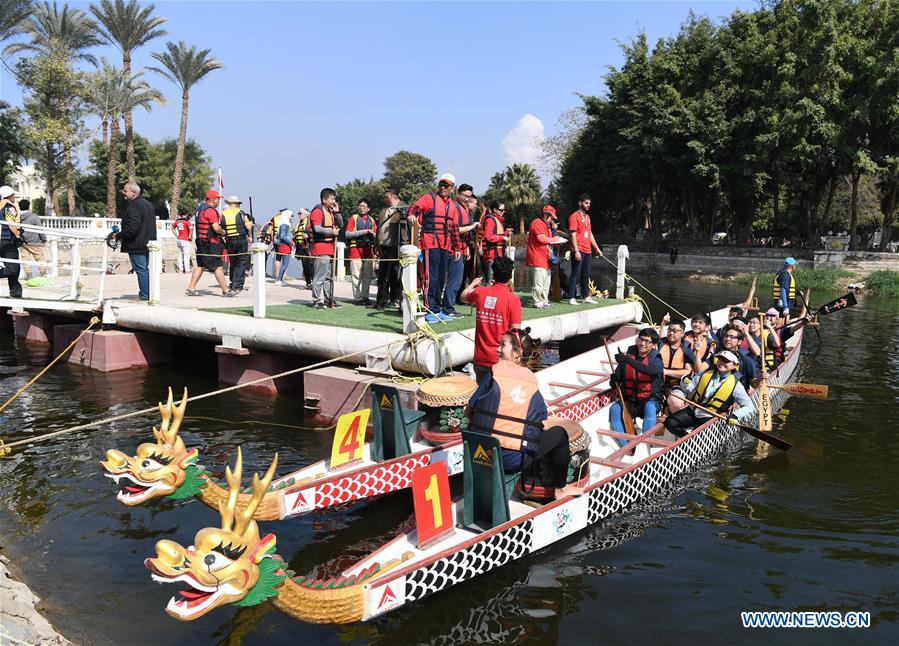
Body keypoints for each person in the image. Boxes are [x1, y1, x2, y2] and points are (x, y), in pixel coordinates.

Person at [466, 328, 583, 500]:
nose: (498, 349)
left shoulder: (494, 373)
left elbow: (469, 411)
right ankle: (560, 489)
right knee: (560, 434)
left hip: (478, 452)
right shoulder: (531, 381)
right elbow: (540, 423)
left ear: (517, 353)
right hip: (510, 460)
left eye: (502, 345)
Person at [408, 173, 462, 322]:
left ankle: (437, 309)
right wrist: (412, 215)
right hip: (430, 243)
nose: (443, 187)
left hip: (446, 246)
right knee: (430, 278)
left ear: (452, 188)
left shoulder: (452, 206)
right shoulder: (429, 198)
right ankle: (429, 309)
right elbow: (414, 207)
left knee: (440, 279)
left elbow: (455, 228)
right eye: (441, 184)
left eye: (446, 185)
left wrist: (457, 247)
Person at [663, 350, 755, 438]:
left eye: (726, 361)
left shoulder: (736, 385)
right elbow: (688, 389)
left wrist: (735, 415)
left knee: (695, 436)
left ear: (734, 365)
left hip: (709, 416)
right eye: (720, 360)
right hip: (693, 410)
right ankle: (688, 440)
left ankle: (693, 441)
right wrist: (685, 381)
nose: (721, 363)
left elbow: (748, 406)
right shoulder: (705, 373)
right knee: (670, 423)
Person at [460, 255, 522, 385]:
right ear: (510, 276)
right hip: (501, 360)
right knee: (499, 398)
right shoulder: (513, 300)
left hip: (480, 358)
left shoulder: (480, 292)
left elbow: (463, 297)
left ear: (493, 274)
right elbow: (516, 333)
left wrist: (473, 283)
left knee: (483, 397)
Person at [608, 327, 664, 447]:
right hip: (629, 400)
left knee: (650, 407)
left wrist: (627, 360)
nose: (642, 344)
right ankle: (626, 446)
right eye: (641, 339)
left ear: (653, 345)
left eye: (647, 341)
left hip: (649, 399)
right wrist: (614, 380)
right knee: (614, 409)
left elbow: (651, 371)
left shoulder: (657, 359)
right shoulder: (628, 357)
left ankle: (646, 444)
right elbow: (615, 381)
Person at [186, 189, 233, 297]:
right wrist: (223, 232)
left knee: (201, 265)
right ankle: (226, 290)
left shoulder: (200, 209)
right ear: (213, 200)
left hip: (201, 242)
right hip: (210, 243)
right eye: (218, 199)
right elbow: (216, 228)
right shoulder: (210, 211)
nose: (219, 201)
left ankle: (191, 288)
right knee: (217, 266)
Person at [443, 183, 479, 318]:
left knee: (457, 280)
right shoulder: (455, 208)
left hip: (463, 248)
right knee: (454, 281)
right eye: (464, 195)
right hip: (454, 249)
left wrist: (468, 248)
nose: (466, 199)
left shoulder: (465, 209)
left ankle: (448, 306)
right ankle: (448, 308)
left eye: (469, 197)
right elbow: (455, 229)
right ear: (458, 194)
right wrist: (472, 226)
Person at [118, 182, 156, 301]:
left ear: (133, 193)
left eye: (125, 191)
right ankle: (149, 293)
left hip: (137, 244)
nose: (123, 193)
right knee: (145, 269)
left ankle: (145, 295)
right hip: (147, 243)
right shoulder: (148, 204)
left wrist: (118, 235)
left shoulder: (134, 206)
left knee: (141, 270)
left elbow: (132, 228)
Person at [375, 187, 408, 310]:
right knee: (382, 276)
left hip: (396, 247)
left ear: (393, 196)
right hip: (384, 247)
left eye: (386, 196)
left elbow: (406, 229)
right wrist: (376, 245)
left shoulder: (403, 209)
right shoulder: (383, 211)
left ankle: (395, 299)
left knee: (395, 274)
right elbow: (379, 228)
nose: (384, 198)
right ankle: (381, 300)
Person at [527, 205, 565, 308]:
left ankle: (544, 300)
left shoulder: (547, 225)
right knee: (539, 281)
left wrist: (556, 240)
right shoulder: (536, 222)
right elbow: (541, 239)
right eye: (551, 216)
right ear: (545, 214)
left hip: (546, 257)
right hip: (537, 256)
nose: (552, 219)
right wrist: (555, 239)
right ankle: (537, 301)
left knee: (546, 281)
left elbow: (548, 239)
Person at [567, 194, 603, 304]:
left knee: (586, 274)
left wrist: (597, 248)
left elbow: (590, 233)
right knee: (575, 273)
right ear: (580, 203)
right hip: (578, 249)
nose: (588, 205)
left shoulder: (587, 217)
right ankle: (571, 297)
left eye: (589, 204)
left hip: (588, 250)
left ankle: (585, 296)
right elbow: (573, 235)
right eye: (586, 203)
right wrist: (576, 251)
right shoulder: (574, 216)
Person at [657, 314, 697, 412]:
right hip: (657, 383)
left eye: (674, 331)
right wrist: (663, 323)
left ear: (682, 334)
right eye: (669, 330)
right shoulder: (661, 344)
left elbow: (689, 372)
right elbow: (659, 337)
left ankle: (678, 421)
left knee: (675, 401)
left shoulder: (686, 350)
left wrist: (666, 372)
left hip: (676, 384)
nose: (671, 333)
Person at [309, 188, 341, 309]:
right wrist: (331, 231)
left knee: (329, 277)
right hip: (321, 248)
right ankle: (317, 301)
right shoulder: (317, 211)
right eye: (332, 198)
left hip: (331, 248)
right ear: (324, 199)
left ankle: (329, 299)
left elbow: (341, 225)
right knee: (320, 277)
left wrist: (337, 213)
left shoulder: (331, 212)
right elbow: (317, 228)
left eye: (334, 198)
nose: (334, 201)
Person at [344, 199, 377, 304]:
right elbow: (347, 234)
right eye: (360, 205)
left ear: (368, 208)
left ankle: (365, 297)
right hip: (355, 249)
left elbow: (376, 235)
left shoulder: (372, 220)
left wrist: (373, 235)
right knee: (356, 275)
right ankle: (357, 298)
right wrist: (364, 232)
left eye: (364, 206)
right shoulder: (353, 218)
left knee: (367, 275)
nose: (361, 207)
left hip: (368, 250)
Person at [220, 196, 252, 292]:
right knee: (241, 262)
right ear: (236, 204)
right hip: (241, 239)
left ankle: (233, 282)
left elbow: (220, 226)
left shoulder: (222, 213)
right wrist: (250, 223)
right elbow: (248, 227)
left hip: (229, 240)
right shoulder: (241, 213)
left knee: (233, 262)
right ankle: (237, 285)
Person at [718, 324, 758, 389]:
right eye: (726, 336)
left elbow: (754, 385)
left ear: (739, 342)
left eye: (732, 337)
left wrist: (759, 379)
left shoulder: (746, 359)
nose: (728, 339)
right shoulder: (717, 355)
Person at [480, 200, 509, 285]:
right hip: (492, 254)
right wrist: (502, 237)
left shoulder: (498, 219)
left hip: (498, 253)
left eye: (504, 210)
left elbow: (496, 233)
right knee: (491, 280)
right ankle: (489, 297)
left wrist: (505, 233)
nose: (503, 212)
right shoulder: (490, 219)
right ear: (495, 210)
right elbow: (488, 236)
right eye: (501, 210)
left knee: (497, 279)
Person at [0, 186, 22, 298]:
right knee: (14, 268)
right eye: (13, 195)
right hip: (7, 240)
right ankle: (15, 292)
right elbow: (11, 223)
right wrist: (18, 237)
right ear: (9, 196)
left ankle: (16, 292)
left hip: (2, 240)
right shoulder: (9, 207)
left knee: (12, 267)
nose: (14, 197)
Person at [17, 199, 46, 277]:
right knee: (40, 259)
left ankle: (29, 277)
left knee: (25, 260)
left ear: (19, 207)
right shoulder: (34, 217)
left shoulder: (18, 217)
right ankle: (43, 276)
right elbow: (40, 229)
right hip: (35, 242)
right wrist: (44, 239)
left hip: (23, 242)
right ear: (29, 206)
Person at [293, 208, 313, 289]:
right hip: (301, 248)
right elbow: (296, 235)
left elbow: (314, 233)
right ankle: (308, 283)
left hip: (309, 247)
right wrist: (294, 242)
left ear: (306, 214)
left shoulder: (309, 223)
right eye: (298, 213)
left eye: (300, 213)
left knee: (310, 266)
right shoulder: (298, 224)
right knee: (304, 266)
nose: (298, 215)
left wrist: (308, 236)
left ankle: (314, 283)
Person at [273, 209, 294, 286]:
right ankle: (279, 279)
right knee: (285, 264)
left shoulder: (284, 223)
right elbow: (283, 236)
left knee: (285, 264)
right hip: (285, 245)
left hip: (285, 245)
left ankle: (280, 279)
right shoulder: (284, 224)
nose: (291, 217)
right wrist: (291, 242)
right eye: (291, 216)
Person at [171, 208, 193, 273]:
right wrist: (189, 237)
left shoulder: (177, 221)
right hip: (185, 239)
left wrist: (176, 235)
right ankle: (187, 269)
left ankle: (181, 269)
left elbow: (172, 228)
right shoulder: (187, 221)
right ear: (187, 214)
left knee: (180, 254)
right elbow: (191, 230)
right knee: (186, 255)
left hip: (179, 239)